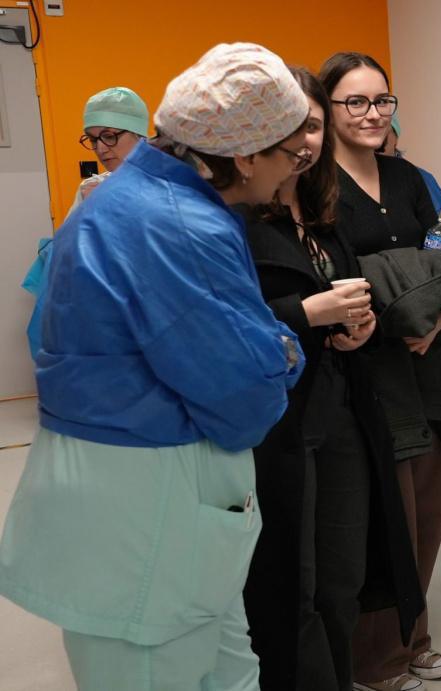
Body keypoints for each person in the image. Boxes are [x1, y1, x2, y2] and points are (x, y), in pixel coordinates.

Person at [0, 43, 308, 690]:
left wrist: (265, 341)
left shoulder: (130, 199)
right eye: (290, 154)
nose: (293, 171)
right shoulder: (176, 226)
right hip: (147, 524)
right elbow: (248, 398)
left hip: (149, 517)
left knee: (228, 669)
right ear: (245, 154)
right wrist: (285, 347)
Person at [240, 66, 424, 691]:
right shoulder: (239, 219)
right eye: (292, 125)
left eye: (314, 124)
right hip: (281, 422)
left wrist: (361, 324)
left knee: (343, 578)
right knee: (294, 580)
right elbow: (223, 324)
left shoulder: (325, 213)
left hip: (344, 406)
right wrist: (308, 312)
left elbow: (351, 295)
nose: (306, 138)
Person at [319, 52, 441, 690]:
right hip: (365, 370)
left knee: (429, 509)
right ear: (326, 108)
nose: (373, 113)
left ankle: (414, 635)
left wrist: (438, 317)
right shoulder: (314, 186)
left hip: (429, 362)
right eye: (357, 102)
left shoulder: (404, 177)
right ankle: (375, 658)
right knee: (384, 516)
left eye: (383, 101)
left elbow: (435, 252)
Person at [23, 86, 151, 359]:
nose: (101, 148)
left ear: (139, 133)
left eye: (110, 136)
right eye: (93, 140)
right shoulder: (91, 188)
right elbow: (68, 258)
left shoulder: (169, 181)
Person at [381, 112, 441, 213]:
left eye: (382, 133)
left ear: (396, 138)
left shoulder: (419, 178)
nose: (374, 141)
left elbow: (440, 224)